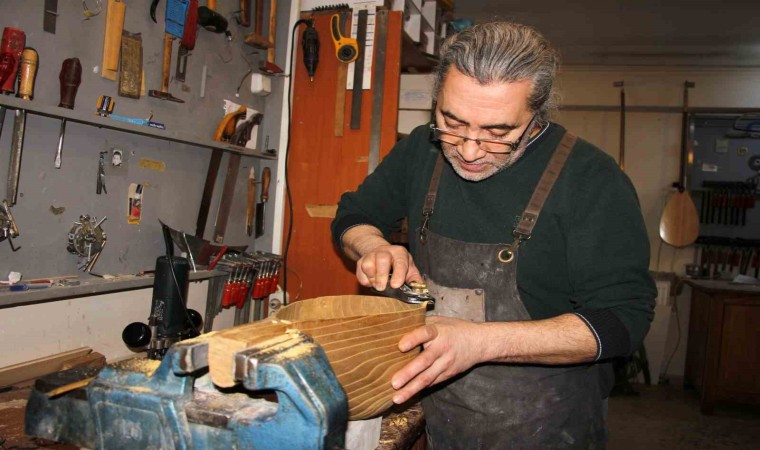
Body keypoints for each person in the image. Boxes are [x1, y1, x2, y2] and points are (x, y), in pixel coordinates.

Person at [331, 21, 656, 449]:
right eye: (451, 122)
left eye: (498, 133)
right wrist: (373, 246)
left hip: (548, 428)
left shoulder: (592, 179)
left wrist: (481, 342)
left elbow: (623, 320)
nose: (468, 150)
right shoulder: (421, 149)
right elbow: (353, 215)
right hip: (443, 415)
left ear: (537, 114)